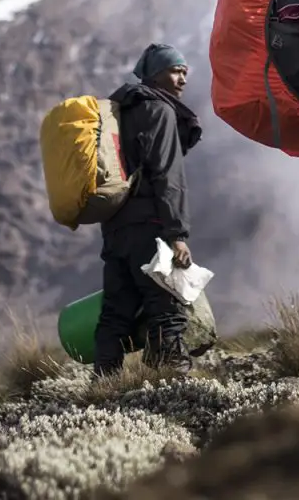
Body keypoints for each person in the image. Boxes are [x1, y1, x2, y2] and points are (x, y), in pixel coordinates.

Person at [94, 43, 203, 375]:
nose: (183, 79)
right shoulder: (160, 110)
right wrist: (177, 235)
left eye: (185, 72)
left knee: (116, 313)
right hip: (150, 227)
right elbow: (168, 176)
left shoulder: (118, 113)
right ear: (155, 74)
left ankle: (104, 383)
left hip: (115, 227)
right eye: (175, 71)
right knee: (167, 305)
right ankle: (173, 381)